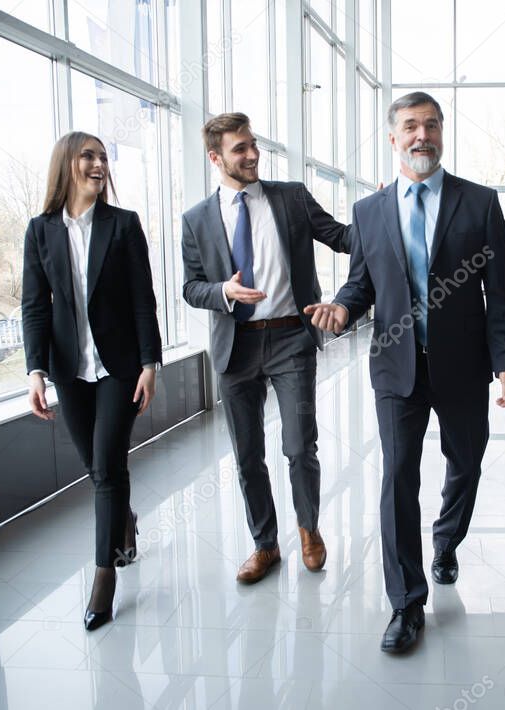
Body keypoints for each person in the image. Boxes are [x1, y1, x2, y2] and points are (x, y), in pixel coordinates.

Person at [306, 92, 505, 653]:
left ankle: (446, 541)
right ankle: (406, 602)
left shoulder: (479, 203)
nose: (421, 135)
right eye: (410, 126)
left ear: (442, 133)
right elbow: (363, 282)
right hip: (396, 367)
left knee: (466, 462)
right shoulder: (369, 211)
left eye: (431, 125)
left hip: (464, 364)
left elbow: (499, 294)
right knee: (398, 474)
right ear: (393, 136)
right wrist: (343, 308)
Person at [182, 113, 351, 584]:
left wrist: (380, 215)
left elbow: (341, 237)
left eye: (253, 145)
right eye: (240, 148)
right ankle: (265, 544)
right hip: (235, 347)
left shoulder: (291, 197)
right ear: (216, 158)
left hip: (290, 338)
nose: (252, 154)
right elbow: (191, 287)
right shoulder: (196, 219)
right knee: (247, 455)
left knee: (300, 446)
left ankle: (309, 530)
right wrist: (223, 292)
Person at [23, 131, 162, 631]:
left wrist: (150, 363)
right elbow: (35, 306)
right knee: (96, 467)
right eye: (89, 156)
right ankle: (124, 522)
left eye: (103, 157)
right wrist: (35, 371)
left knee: (107, 464)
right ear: (67, 164)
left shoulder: (123, 225)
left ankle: (104, 574)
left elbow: (143, 298)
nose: (100, 164)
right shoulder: (40, 231)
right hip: (69, 370)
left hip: (119, 366)